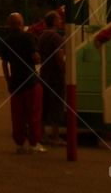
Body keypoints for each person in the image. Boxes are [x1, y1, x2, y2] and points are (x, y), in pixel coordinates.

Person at [1, 13, 45, 153]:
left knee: (17, 115)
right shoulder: (29, 38)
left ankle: (19, 144)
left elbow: (4, 63)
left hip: (15, 82)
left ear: (9, 24)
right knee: (33, 114)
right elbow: (36, 58)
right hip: (30, 81)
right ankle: (34, 143)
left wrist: (8, 81)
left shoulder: (6, 40)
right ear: (21, 23)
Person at [37, 12, 65, 146]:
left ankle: (42, 135)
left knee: (44, 105)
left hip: (44, 74)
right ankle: (55, 136)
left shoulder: (42, 36)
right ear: (54, 22)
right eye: (58, 19)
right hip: (55, 76)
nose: (60, 21)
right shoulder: (57, 37)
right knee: (56, 106)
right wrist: (65, 70)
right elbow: (59, 57)